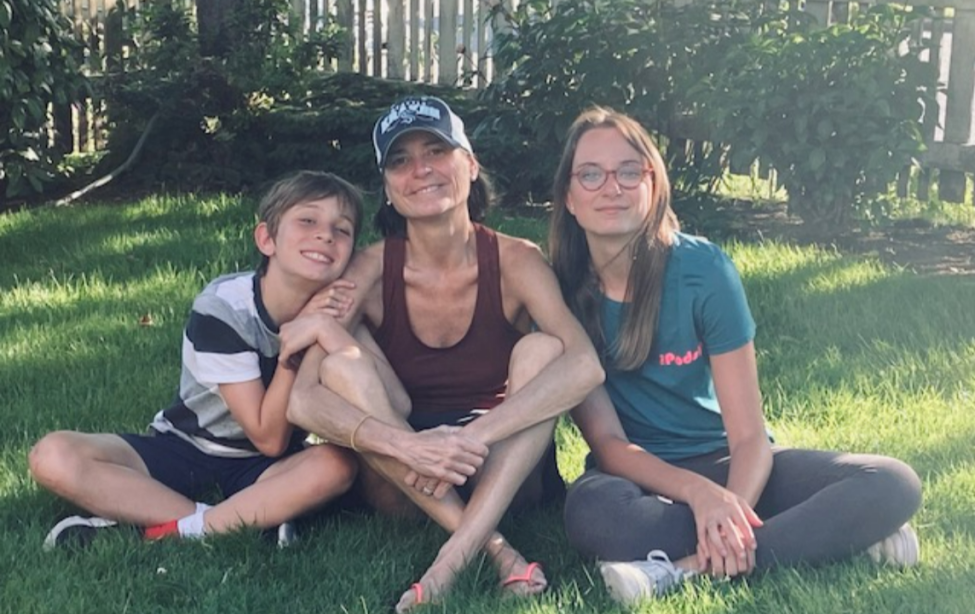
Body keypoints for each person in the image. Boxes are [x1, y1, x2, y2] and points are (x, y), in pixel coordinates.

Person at [549, 107, 923, 604]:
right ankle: (835, 538)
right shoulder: (559, 291)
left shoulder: (702, 270)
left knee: (891, 482)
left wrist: (729, 508)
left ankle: (680, 572)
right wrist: (700, 497)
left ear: (653, 184)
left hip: (731, 462)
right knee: (594, 514)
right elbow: (611, 444)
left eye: (629, 171)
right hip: (635, 479)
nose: (610, 187)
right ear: (570, 198)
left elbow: (748, 435)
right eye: (590, 174)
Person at [285, 95, 604, 612]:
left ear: (470, 165)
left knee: (546, 349)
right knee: (342, 360)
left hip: (501, 465)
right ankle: (495, 549)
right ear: (388, 188)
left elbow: (584, 364)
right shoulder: (368, 270)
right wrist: (409, 447)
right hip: (401, 482)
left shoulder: (517, 260)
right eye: (401, 160)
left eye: (437, 150)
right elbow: (304, 401)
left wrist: (467, 438)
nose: (421, 170)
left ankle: (449, 562)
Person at [29, 170, 364, 549]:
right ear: (266, 239)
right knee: (52, 455)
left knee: (337, 466)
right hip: (184, 448)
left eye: (343, 230)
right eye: (307, 220)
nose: (325, 235)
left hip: (266, 468)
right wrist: (297, 342)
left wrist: (320, 327)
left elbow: (273, 448)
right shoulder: (223, 307)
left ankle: (166, 529)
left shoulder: (339, 311)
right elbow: (266, 434)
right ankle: (243, 518)